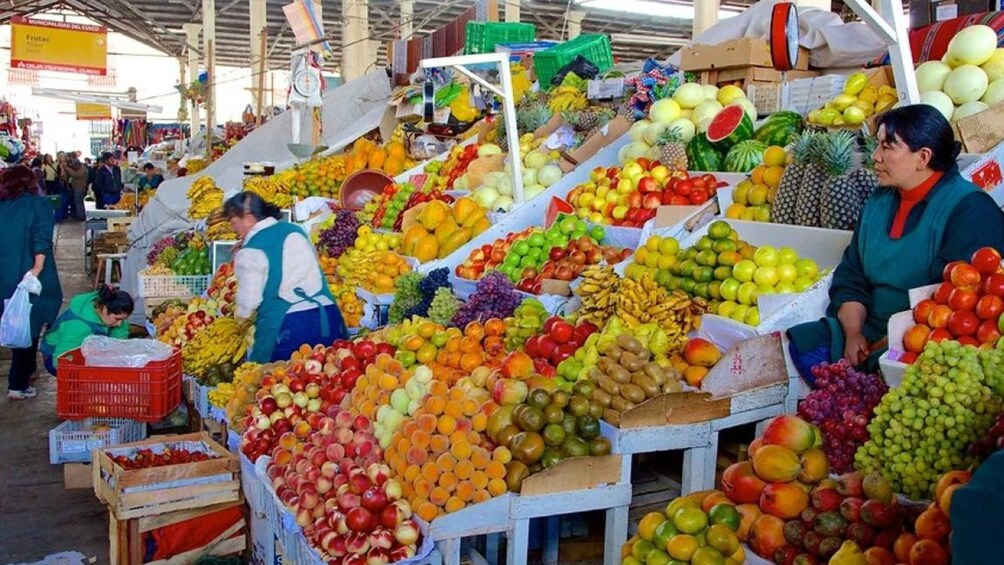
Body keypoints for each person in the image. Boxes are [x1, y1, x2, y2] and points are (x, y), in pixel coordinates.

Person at [787, 105, 1004, 379]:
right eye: (877, 145)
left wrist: (881, 347)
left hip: (924, 339)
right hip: (866, 331)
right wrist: (853, 335)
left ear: (923, 157)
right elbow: (852, 275)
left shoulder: (970, 210)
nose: (875, 157)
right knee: (799, 344)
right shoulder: (879, 201)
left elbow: (950, 303)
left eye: (888, 147)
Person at [226, 191, 348, 362]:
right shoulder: (294, 229)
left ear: (247, 218)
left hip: (288, 327)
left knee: (270, 381)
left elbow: (248, 302)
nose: (233, 229)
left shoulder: (251, 250)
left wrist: (238, 320)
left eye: (234, 222)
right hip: (327, 317)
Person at [0, 165, 63, 400]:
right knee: (28, 328)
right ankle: (17, 384)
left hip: (4, 277)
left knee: (14, 324)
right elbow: (42, 239)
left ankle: (27, 372)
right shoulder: (38, 204)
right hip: (31, 277)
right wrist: (35, 271)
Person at [41, 286, 133, 376]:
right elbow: (61, 359)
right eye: (117, 319)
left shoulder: (113, 314)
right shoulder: (79, 325)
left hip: (84, 346)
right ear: (105, 309)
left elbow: (120, 338)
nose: (119, 323)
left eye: (123, 319)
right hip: (55, 355)